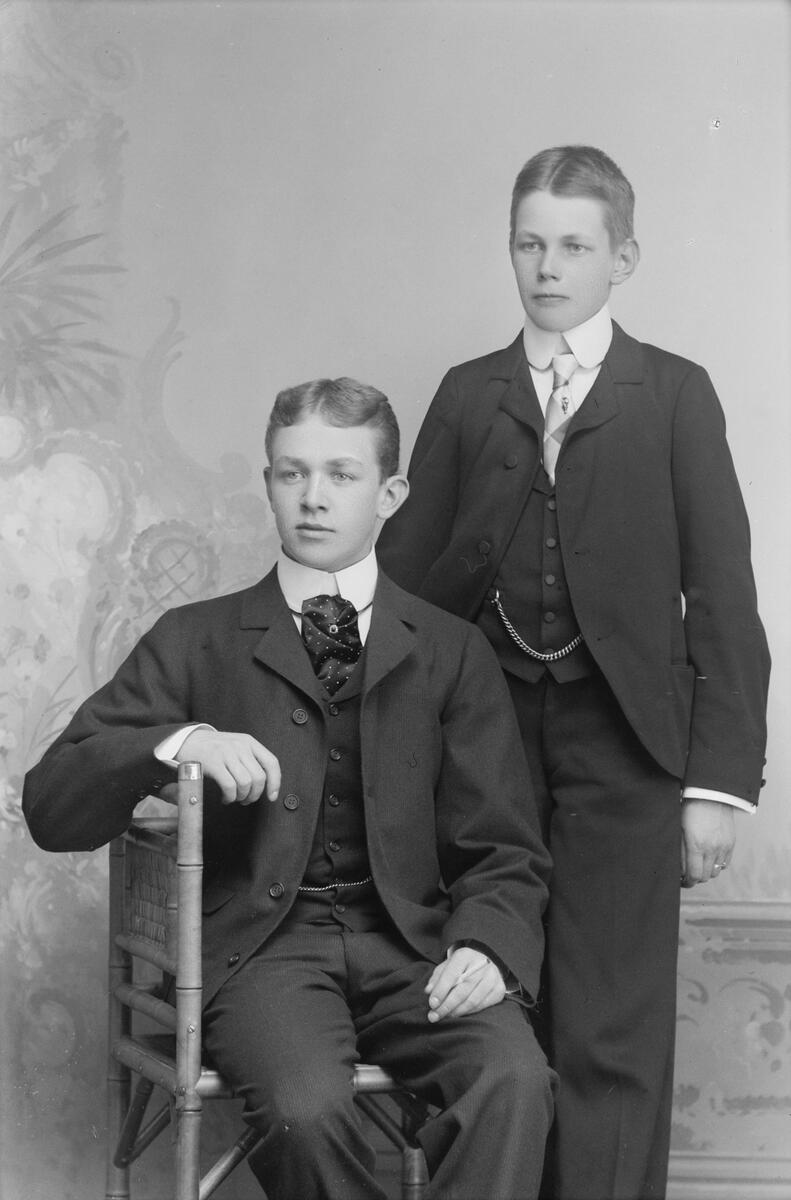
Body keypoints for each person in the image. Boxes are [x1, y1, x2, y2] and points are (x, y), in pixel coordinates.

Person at [23, 377, 555, 1200]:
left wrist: (486, 944)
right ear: (269, 482)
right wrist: (181, 742)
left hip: (412, 947)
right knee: (305, 1109)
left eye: (341, 474)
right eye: (291, 472)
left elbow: (503, 843)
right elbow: (52, 805)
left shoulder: (450, 652)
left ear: (389, 494)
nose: (313, 497)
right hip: (260, 954)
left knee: (513, 1079)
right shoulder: (195, 640)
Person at [377, 146, 770, 1200]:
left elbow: (722, 600)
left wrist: (714, 785)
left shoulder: (674, 394)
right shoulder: (469, 394)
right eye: (528, 243)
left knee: (611, 1026)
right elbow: (404, 588)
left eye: (573, 247)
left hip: (627, 750)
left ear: (620, 258)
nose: (546, 267)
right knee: (499, 1013)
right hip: (485, 749)